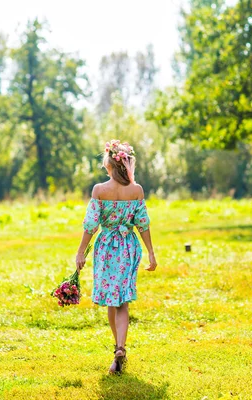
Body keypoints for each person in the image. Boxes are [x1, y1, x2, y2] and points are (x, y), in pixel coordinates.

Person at [75, 139, 157, 375]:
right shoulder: (137, 190)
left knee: (113, 298)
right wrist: (151, 251)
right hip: (128, 247)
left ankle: (118, 349)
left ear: (109, 166)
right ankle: (120, 347)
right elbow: (142, 223)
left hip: (107, 248)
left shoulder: (99, 190)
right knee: (122, 300)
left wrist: (81, 251)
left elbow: (91, 225)